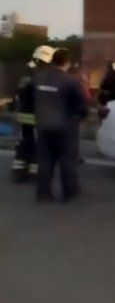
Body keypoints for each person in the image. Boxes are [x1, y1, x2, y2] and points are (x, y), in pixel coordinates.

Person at [33, 48, 89, 202]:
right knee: (66, 160)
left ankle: (43, 193)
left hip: (43, 125)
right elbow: (82, 104)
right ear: (67, 63)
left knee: (45, 161)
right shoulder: (70, 80)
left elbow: (30, 97)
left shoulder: (38, 77)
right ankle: (69, 192)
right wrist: (80, 116)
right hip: (64, 126)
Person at [11, 45, 55, 182]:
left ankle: (19, 169)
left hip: (24, 114)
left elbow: (18, 93)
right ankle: (35, 170)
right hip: (39, 115)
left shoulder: (27, 74)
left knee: (24, 141)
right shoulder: (47, 76)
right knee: (38, 143)